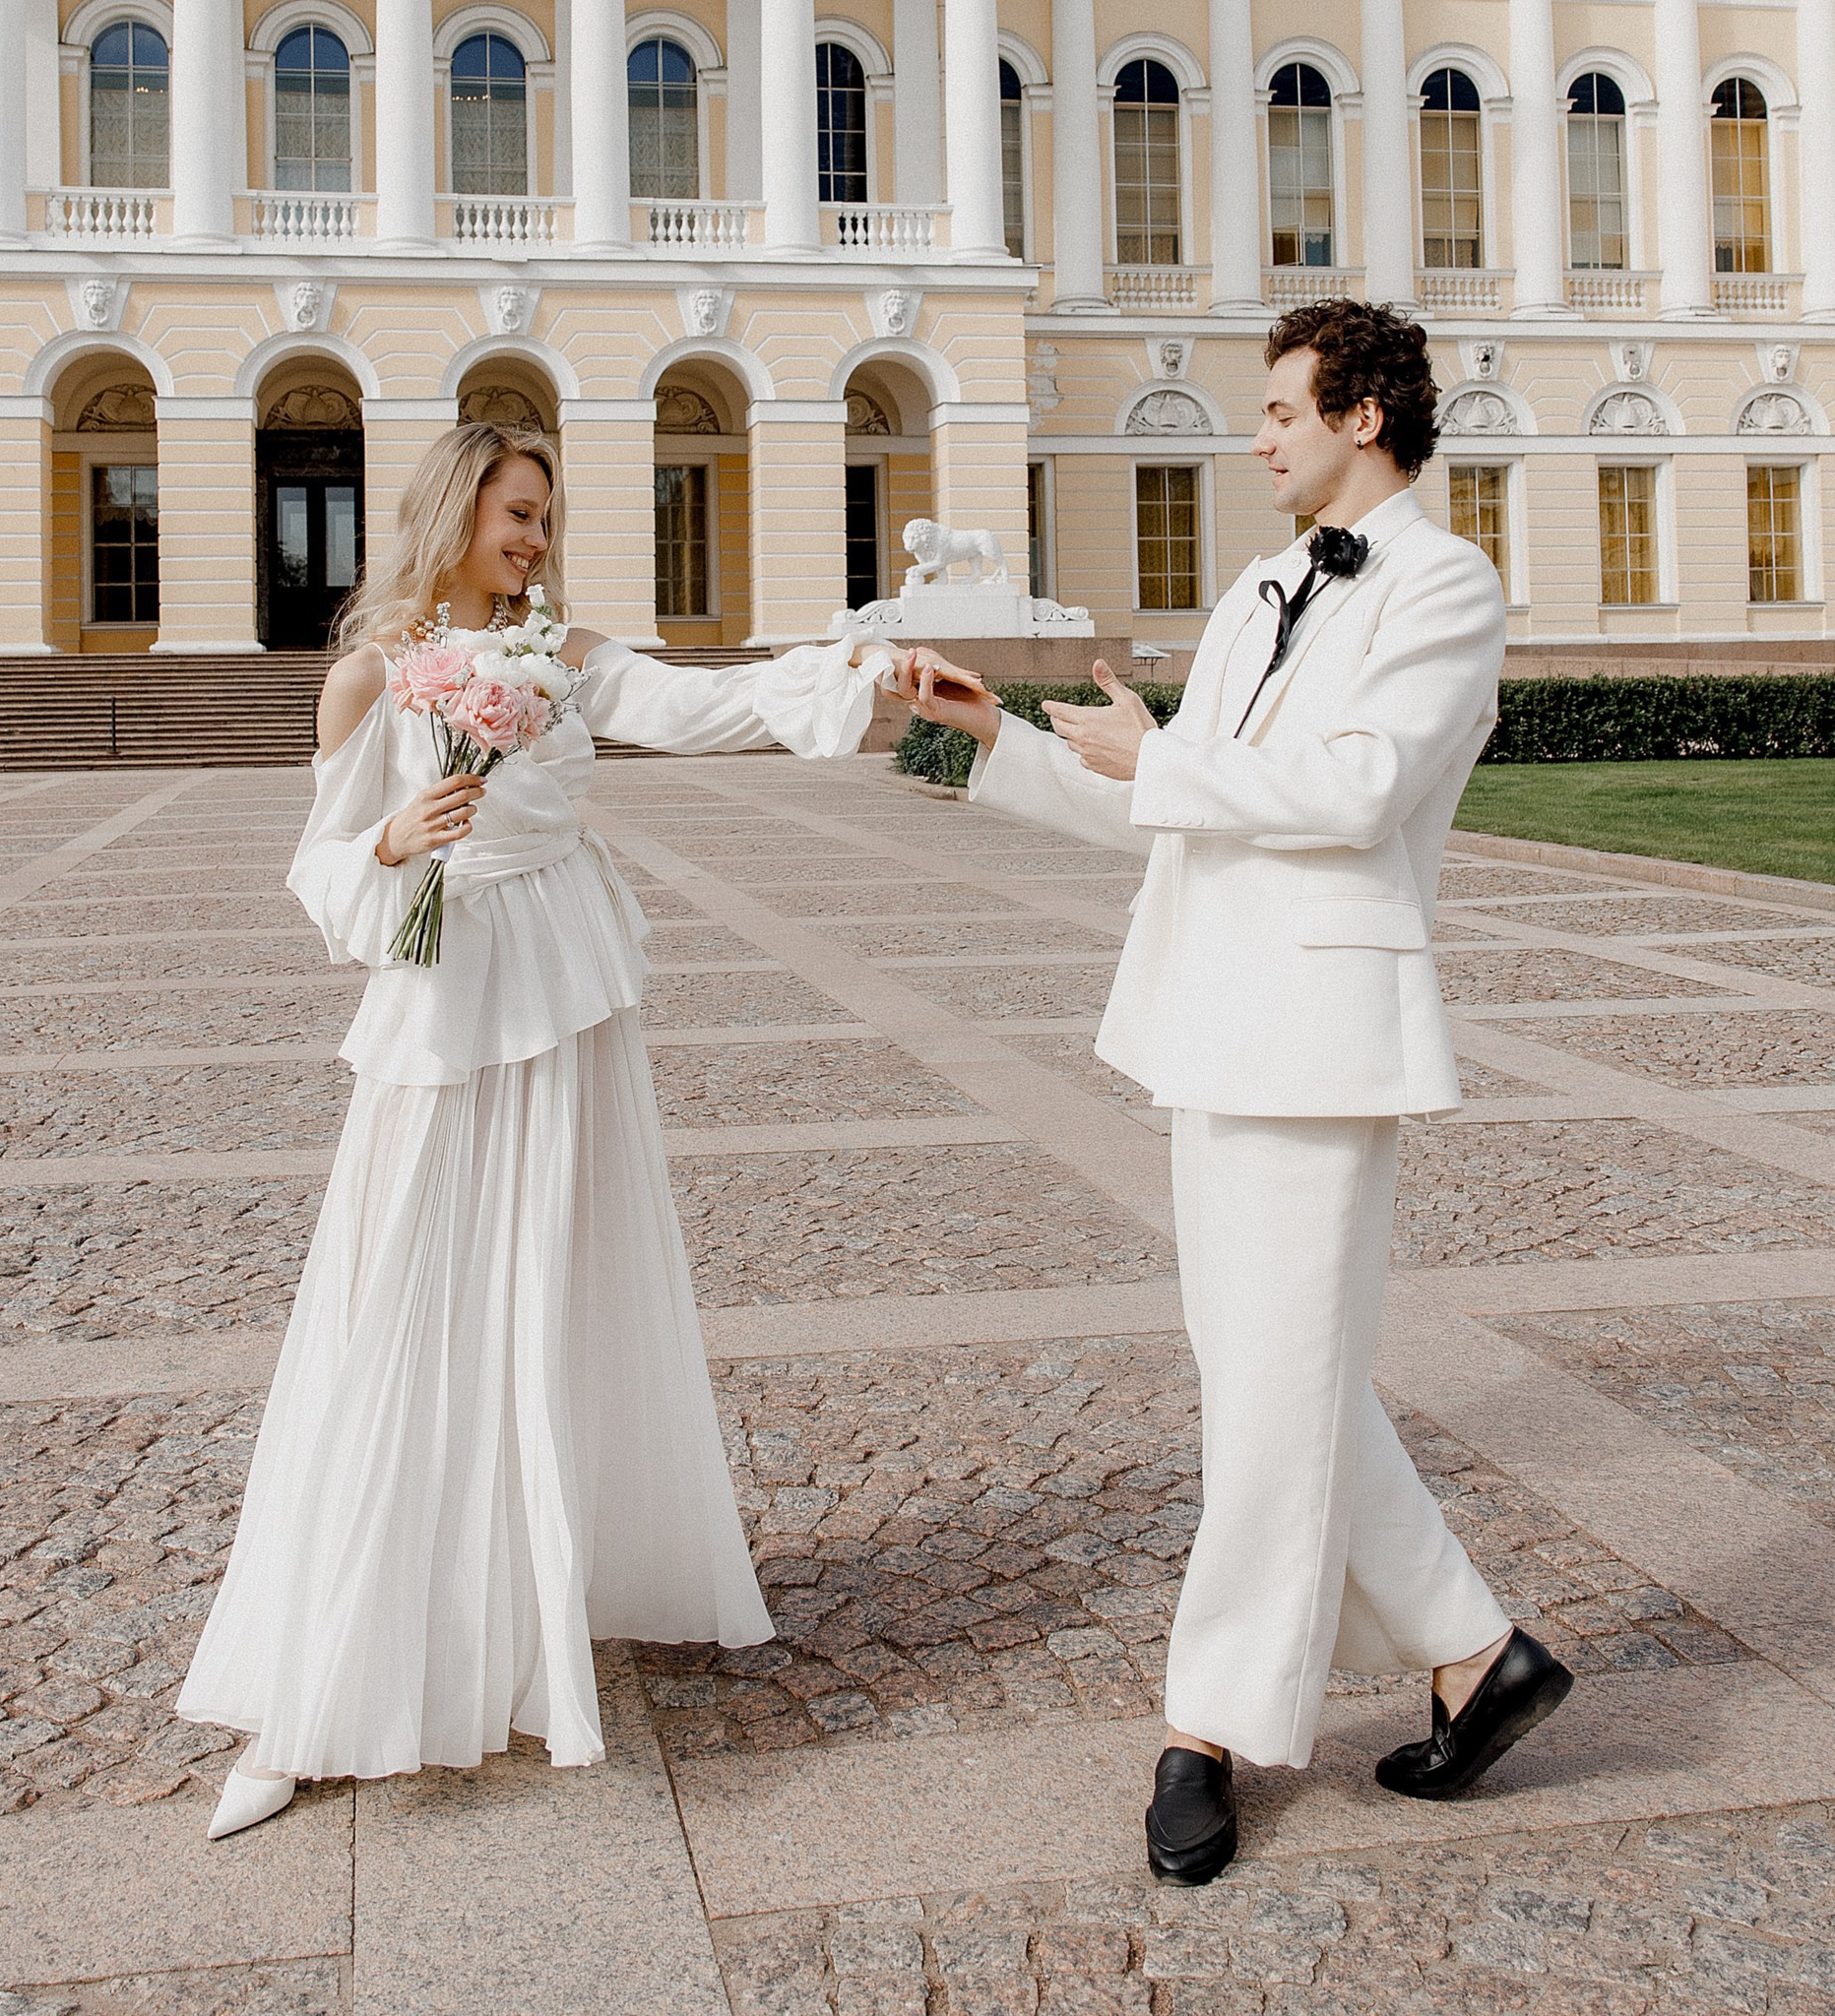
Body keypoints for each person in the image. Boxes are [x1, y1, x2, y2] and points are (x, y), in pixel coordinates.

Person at [898, 300, 1571, 1883]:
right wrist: (994, 739)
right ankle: (1480, 1658)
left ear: (1361, 418)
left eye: (1278, 409)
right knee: (1283, 1375)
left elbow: (1352, 793)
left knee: (1268, 1395)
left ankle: (1206, 1728)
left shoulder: (1446, 584)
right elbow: (1179, 806)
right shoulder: (1261, 583)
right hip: (1207, 1019)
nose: (1254, 436)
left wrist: (1159, 762)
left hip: (1323, 1030)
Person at [182, 419, 896, 1839]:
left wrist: (859, 673)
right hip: (444, 1010)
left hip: (566, 999)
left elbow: (709, 709)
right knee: (395, 1299)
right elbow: (320, 872)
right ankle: (318, 1683)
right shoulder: (371, 679)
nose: (534, 539)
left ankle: (543, 1592)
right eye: (516, 512)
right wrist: (393, 843)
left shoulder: (566, 657)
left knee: (557, 1295)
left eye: (545, 517)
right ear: (456, 512)